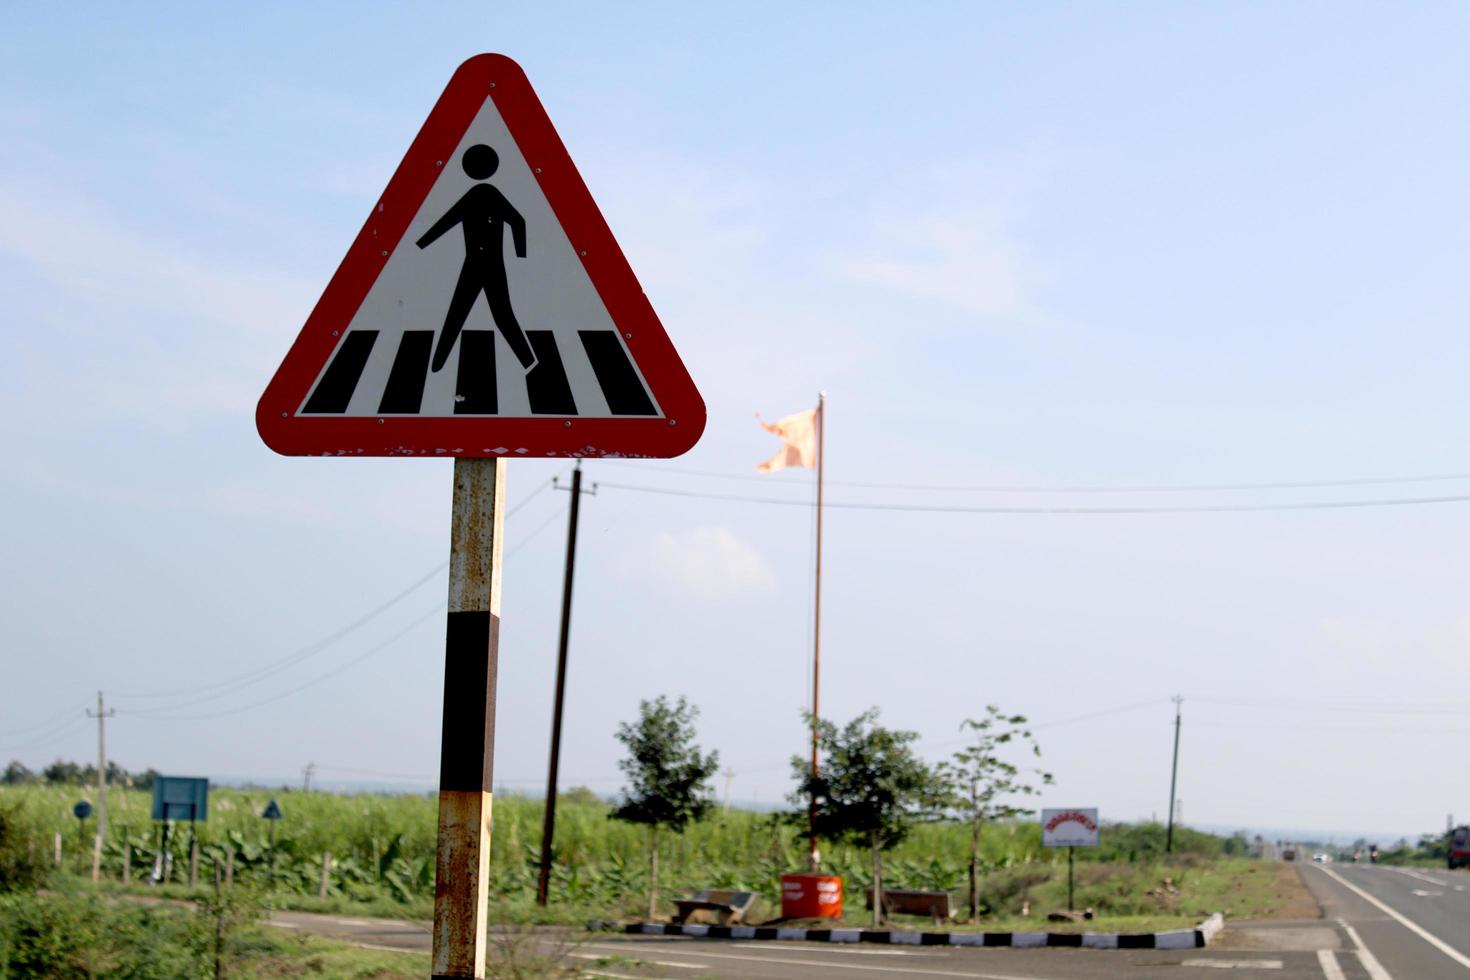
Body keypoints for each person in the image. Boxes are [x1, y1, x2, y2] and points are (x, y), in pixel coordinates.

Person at [416, 144, 535, 371]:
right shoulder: (483, 195)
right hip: (478, 264)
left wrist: (522, 256)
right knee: (465, 314)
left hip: (486, 264)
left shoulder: (484, 195)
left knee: (490, 314)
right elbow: (447, 222)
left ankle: (528, 362)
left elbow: (518, 222)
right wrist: (420, 245)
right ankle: (437, 366)